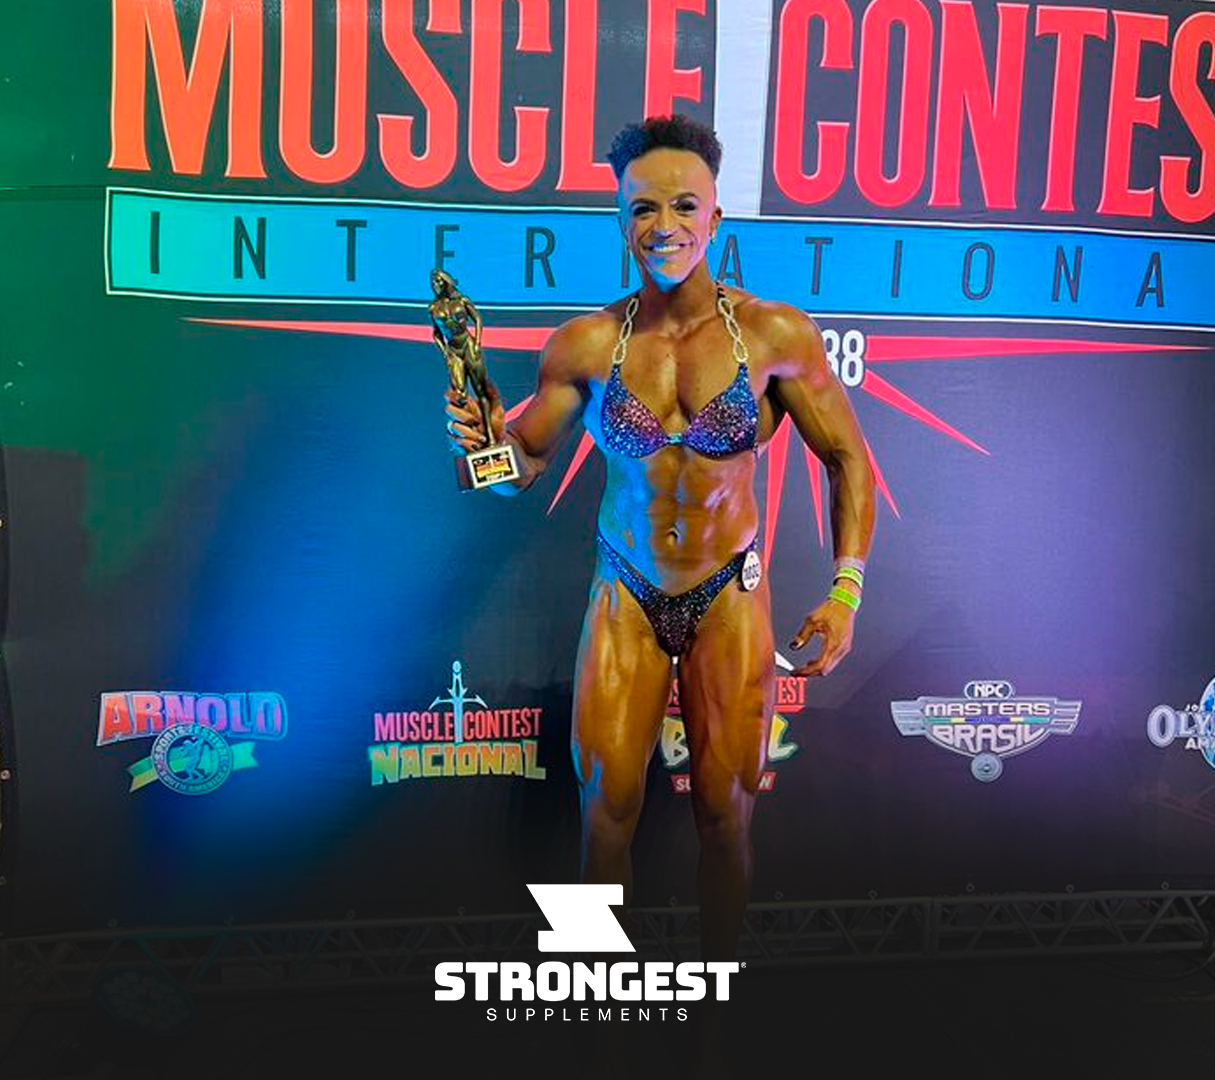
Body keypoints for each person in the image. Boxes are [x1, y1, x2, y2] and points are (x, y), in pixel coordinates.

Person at [444, 114, 875, 963]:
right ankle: (603, 996)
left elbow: (847, 460)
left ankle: (711, 1016)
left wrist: (845, 589)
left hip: (727, 595)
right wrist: (477, 448)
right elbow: (519, 465)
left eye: (683, 206)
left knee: (724, 816)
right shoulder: (586, 344)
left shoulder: (774, 335)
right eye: (643, 208)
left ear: (715, 217)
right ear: (620, 220)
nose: (664, 225)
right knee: (603, 817)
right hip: (627, 593)